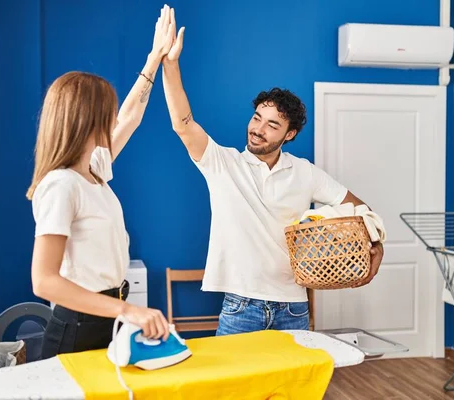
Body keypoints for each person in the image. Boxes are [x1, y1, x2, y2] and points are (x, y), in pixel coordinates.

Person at [160, 17, 384, 336]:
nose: (258, 129)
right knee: (235, 388)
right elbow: (183, 124)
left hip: (293, 306)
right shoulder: (221, 162)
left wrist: (377, 243)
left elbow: (361, 209)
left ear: (289, 134)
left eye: (271, 125)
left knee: (293, 387)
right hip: (241, 306)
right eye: (256, 118)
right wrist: (171, 65)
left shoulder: (304, 171)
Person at [27, 5, 176, 359]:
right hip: (78, 327)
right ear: (88, 119)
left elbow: (131, 116)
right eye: (107, 110)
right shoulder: (61, 185)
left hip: (105, 319)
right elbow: (44, 280)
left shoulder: (94, 169)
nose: (113, 115)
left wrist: (155, 58)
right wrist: (129, 311)